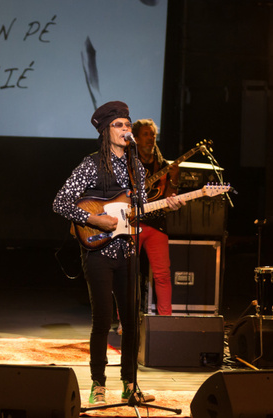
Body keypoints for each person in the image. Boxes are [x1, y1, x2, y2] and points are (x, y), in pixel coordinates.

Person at [52, 101, 182, 405]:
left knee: (132, 320)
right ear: (105, 131)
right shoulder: (91, 164)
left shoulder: (136, 166)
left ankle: (130, 384)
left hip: (127, 249)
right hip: (97, 249)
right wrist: (92, 218)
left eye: (127, 124)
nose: (126, 129)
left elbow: (136, 211)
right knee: (102, 319)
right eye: (119, 125)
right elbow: (60, 202)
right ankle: (98, 383)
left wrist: (167, 203)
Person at [133, 118, 176, 316]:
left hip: (157, 224)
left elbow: (169, 198)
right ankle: (126, 320)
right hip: (130, 224)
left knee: (163, 275)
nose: (151, 139)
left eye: (153, 135)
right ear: (135, 138)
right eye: (146, 135)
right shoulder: (127, 164)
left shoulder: (165, 167)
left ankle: (165, 319)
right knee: (128, 274)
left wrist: (174, 187)